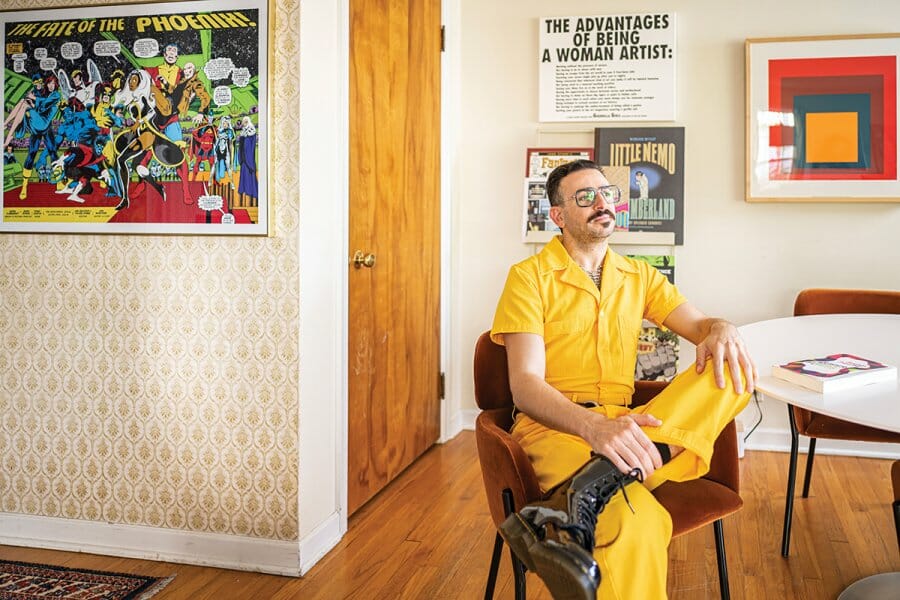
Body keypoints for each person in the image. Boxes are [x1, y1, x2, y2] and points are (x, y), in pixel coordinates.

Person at [490, 159, 757, 600]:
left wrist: (722, 327)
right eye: (584, 197)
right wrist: (593, 427)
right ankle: (594, 489)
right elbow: (525, 385)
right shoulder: (528, 278)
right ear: (558, 216)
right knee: (644, 524)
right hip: (557, 429)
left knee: (732, 367)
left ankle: (585, 494)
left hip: (633, 428)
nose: (601, 203)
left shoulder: (640, 275)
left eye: (606, 193)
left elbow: (702, 327)